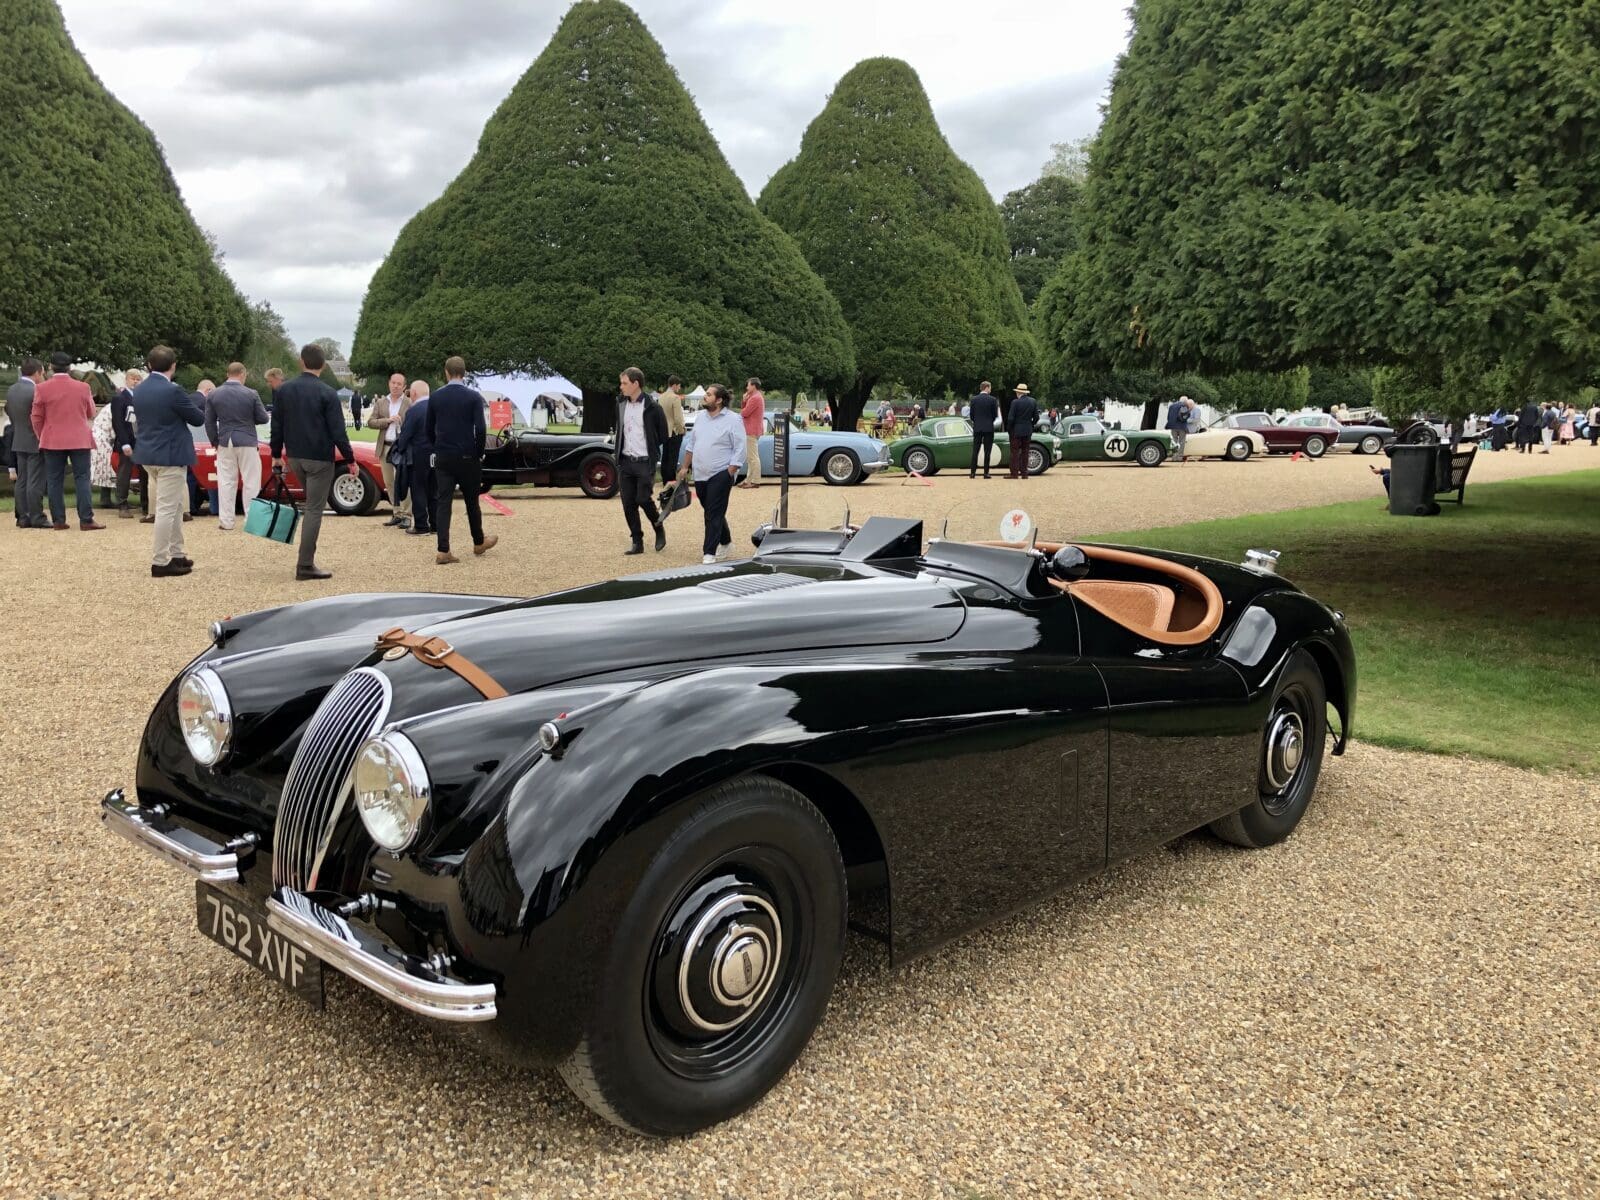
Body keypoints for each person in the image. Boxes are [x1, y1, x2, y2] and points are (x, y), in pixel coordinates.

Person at [270, 344, 356, 580]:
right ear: (324, 364)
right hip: (319, 458)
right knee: (314, 510)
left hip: (295, 455)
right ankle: (305, 564)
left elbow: (276, 426)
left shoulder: (284, 391)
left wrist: (276, 455)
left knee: (312, 505)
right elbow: (339, 432)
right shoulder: (327, 392)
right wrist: (350, 459)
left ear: (301, 361)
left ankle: (306, 561)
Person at [131, 346, 203, 577]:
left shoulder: (139, 390)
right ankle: (160, 561)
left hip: (148, 453)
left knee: (174, 506)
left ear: (149, 365)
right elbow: (197, 418)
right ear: (173, 366)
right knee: (167, 509)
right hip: (170, 454)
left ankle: (177, 553)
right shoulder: (173, 391)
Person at [425, 356, 496, 565]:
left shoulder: (436, 397)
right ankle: (478, 541)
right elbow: (481, 429)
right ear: (464, 373)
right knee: (472, 501)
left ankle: (443, 549)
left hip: (444, 456)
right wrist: (479, 451)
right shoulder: (473, 397)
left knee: (443, 502)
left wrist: (436, 446)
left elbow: (428, 428)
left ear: (446, 372)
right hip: (467, 456)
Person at [32, 352, 104, 530]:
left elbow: (36, 417)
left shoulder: (42, 388)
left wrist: (42, 435)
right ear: (70, 367)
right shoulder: (83, 387)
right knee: (82, 478)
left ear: (51, 367)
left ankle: (58, 520)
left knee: (54, 479)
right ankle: (86, 519)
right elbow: (91, 413)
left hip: (52, 438)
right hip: (79, 438)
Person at [676, 383, 745, 563]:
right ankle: (726, 541)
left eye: (708, 394)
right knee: (712, 509)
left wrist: (730, 471)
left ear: (719, 400)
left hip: (721, 473)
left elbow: (740, 447)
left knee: (712, 513)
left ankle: (709, 553)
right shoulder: (700, 418)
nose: (704, 397)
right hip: (700, 474)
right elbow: (692, 444)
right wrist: (685, 467)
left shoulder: (733, 419)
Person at [204, 363, 269, 530]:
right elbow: (263, 418)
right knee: (251, 481)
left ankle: (226, 521)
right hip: (247, 439)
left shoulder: (214, 394)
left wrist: (215, 442)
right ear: (243, 374)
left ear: (228, 374)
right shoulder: (251, 393)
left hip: (225, 440)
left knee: (226, 481)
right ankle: (251, 521)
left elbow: (209, 422)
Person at [613, 366, 667, 555]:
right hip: (626, 461)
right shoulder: (620, 404)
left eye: (624, 383)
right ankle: (637, 541)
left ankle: (658, 526)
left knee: (643, 499)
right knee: (628, 503)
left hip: (645, 462)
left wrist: (651, 451)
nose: (621, 387)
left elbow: (662, 435)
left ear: (636, 384)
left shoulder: (653, 407)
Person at [6, 359, 47, 528]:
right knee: (35, 481)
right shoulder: (36, 390)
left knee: (22, 480)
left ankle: (23, 516)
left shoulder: (12, 389)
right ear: (37, 373)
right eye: (42, 373)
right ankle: (36, 515)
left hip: (18, 438)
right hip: (35, 440)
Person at [368, 372, 412, 526]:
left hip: (401, 448)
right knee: (389, 482)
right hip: (385, 447)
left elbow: (415, 424)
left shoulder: (409, 403)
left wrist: (402, 422)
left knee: (404, 481)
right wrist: (387, 420)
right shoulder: (381, 402)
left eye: (399, 384)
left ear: (404, 386)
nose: (395, 386)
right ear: (389, 383)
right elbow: (371, 422)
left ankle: (407, 515)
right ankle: (397, 513)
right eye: (393, 382)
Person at [392, 381, 433, 536]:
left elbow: (405, 436)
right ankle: (435, 525)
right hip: (436, 455)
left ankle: (422, 525)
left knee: (419, 490)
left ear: (414, 393)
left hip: (418, 455)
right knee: (434, 491)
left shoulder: (414, 411)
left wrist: (399, 449)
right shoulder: (437, 408)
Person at [110, 369, 144, 515]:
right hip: (127, 441)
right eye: (132, 379)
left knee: (145, 473)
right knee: (125, 473)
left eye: (138, 379)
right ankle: (122, 503)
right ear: (127, 380)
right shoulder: (120, 398)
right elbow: (117, 422)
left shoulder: (142, 397)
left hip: (141, 441)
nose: (135, 382)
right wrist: (124, 443)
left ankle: (146, 503)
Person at [658, 374, 687, 484]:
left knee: (665, 457)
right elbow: (678, 418)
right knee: (672, 459)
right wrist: (682, 430)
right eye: (679, 386)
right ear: (674, 385)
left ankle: (665, 480)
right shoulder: (675, 398)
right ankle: (671, 481)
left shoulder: (661, 397)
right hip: (674, 432)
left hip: (665, 431)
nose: (679, 388)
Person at [1006, 384, 1039, 479]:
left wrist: (1009, 428)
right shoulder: (1033, 401)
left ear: (1018, 392)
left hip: (1016, 430)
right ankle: (1024, 473)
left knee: (1014, 452)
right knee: (1025, 451)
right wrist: (1031, 424)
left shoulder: (1015, 402)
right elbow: (1036, 417)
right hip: (1028, 429)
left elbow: (1011, 418)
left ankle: (1014, 473)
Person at [968, 382, 998, 478]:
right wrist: (989, 421)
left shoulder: (974, 399)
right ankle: (986, 473)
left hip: (977, 427)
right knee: (987, 451)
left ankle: (973, 472)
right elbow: (995, 415)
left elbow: (972, 415)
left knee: (975, 451)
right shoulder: (993, 400)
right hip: (988, 427)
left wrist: (977, 421)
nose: (990, 389)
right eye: (990, 388)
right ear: (987, 388)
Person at [739, 377, 765, 489]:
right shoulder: (756, 397)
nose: (746, 387)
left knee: (753, 457)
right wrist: (745, 401)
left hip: (751, 430)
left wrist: (744, 401)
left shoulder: (755, 398)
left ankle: (755, 481)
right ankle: (749, 480)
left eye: (748, 385)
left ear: (754, 386)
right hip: (753, 430)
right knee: (751, 457)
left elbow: (744, 413)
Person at [1165, 394, 1192, 463]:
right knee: (1182, 442)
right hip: (1181, 426)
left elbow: (1168, 417)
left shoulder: (1171, 406)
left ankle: (1174, 457)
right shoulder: (1184, 406)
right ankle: (1179, 457)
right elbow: (1185, 416)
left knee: (1174, 441)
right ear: (1185, 401)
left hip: (1172, 426)